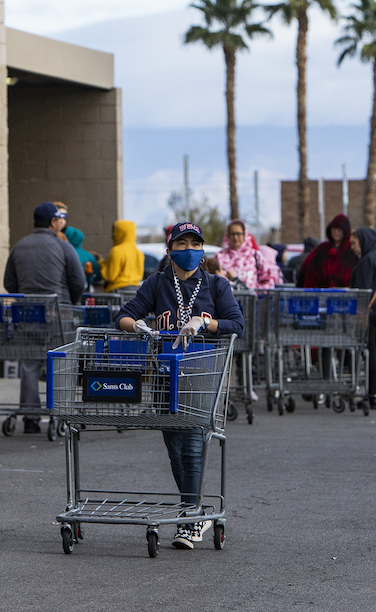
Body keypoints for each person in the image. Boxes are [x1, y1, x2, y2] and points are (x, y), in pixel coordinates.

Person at [115, 221, 244, 550]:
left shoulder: (216, 285)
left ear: (202, 251)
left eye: (194, 244)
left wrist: (204, 322)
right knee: (175, 448)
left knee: (192, 445)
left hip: (201, 373)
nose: (189, 250)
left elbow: (236, 323)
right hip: (164, 373)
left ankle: (192, 514)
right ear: (170, 250)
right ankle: (192, 508)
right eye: (182, 244)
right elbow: (123, 315)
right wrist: (139, 326)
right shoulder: (157, 283)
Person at [3, 202, 87, 433]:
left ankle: (30, 418)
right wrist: (70, 301)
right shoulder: (62, 247)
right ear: (52, 222)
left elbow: (9, 283)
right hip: (59, 315)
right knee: (59, 363)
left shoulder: (19, 246)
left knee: (29, 364)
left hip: (28, 314)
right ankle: (59, 413)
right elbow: (78, 281)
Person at [349, 227, 376, 410]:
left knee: (368, 350)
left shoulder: (365, 261)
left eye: (354, 243)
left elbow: (362, 291)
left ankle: (371, 393)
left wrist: (360, 314)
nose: (353, 247)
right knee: (374, 350)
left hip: (368, 311)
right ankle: (375, 391)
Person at [216, 220, 279, 289]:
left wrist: (257, 293)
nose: (235, 237)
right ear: (228, 236)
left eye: (238, 234)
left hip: (251, 298)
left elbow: (268, 279)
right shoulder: (219, 257)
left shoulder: (255, 255)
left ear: (244, 235)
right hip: (226, 298)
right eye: (233, 234)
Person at [299, 214, 356, 288]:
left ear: (345, 231)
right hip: (321, 293)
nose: (336, 232)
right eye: (333, 229)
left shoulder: (352, 250)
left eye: (339, 229)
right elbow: (307, 267)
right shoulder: (322, 249)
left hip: (345, 295)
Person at [100, 220, 144, 293]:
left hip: (119, 292)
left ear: (119, 233)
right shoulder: (139, 253)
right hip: (135, 291)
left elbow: (110, 276)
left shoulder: (116, 251)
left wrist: (101, 263)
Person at [64, 226, 99, 292]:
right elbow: (97, 274)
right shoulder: (88, 256)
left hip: (68, 288)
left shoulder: (63, 253)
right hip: (86, 287)